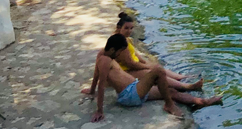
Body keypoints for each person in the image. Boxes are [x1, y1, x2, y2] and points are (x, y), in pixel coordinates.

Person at [85, 34, 219, 122]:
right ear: (114, 49)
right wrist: (99, 110)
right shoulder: (105, 61)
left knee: (170, 91)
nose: (121, 55)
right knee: (158, 71)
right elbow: (101, 83)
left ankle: (203, 102)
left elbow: (95, 75)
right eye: (120, 51)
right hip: (129, 94)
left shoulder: (103, 55)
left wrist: (91, 91)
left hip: (135, 88)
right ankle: (169, 105)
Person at [102, 12, 202, 92]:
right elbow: (130, 64)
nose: (129, 31)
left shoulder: (125, 38)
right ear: (119, 28)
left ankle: (181, 77)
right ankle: (186, 86)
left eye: (131, 28)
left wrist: (146, 62)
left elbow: (136, 54)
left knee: (155, 66)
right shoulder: (118, 42)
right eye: (126, 28)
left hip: (133, 67)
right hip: (126, 72)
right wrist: (146, 66)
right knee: (151, 72)